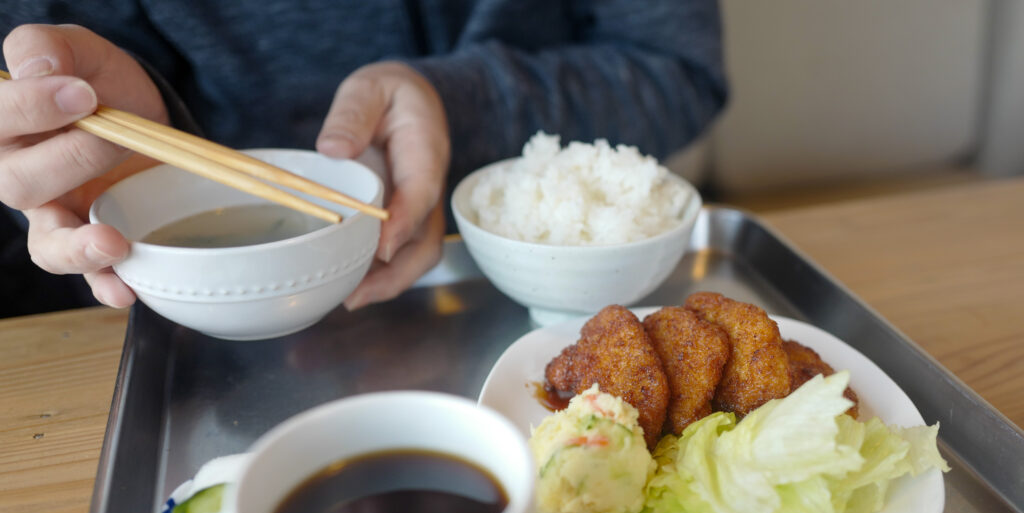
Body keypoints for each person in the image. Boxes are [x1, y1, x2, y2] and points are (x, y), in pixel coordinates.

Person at [0, 1, 727, 314]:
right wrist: (122, 160)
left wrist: (453, 103)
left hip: (533, 277)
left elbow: (678, 67)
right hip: (167, 317)